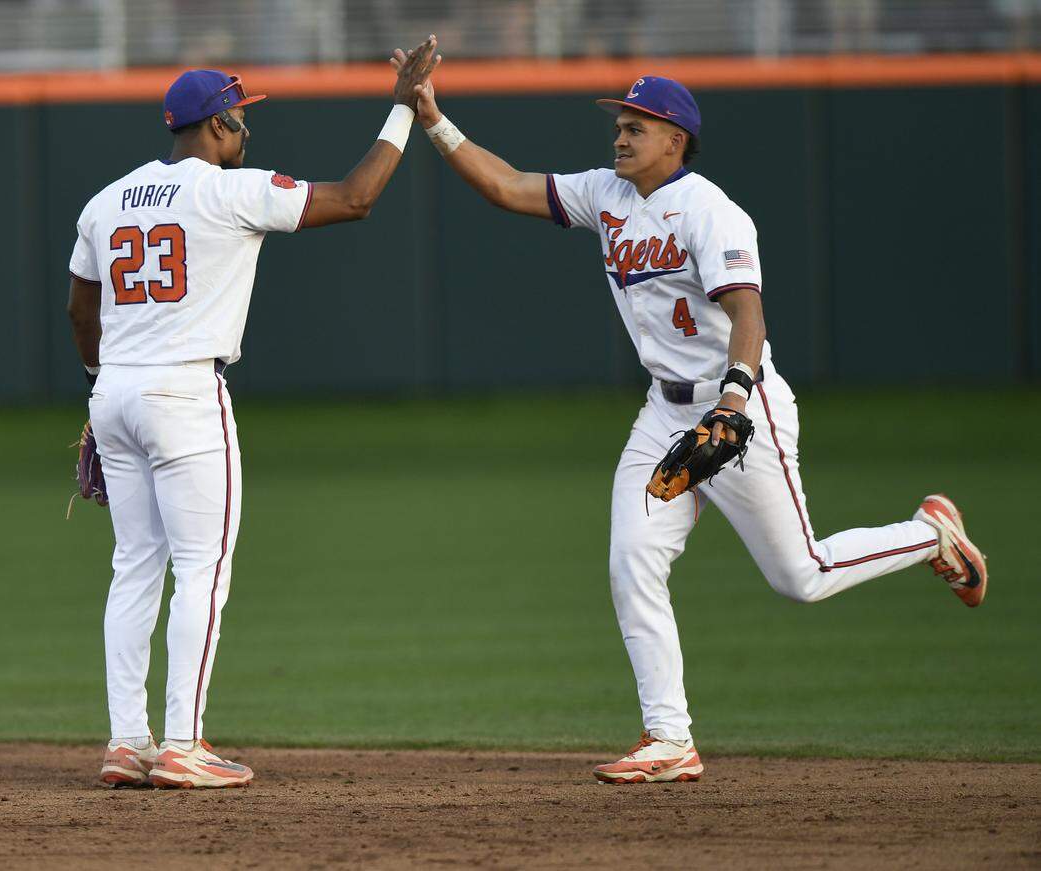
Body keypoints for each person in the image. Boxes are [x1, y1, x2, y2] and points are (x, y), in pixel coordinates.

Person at [400, 68, 988, 783]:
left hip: (740, 410)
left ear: (675, 140)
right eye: (618, 123)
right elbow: (506, 185)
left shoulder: (711, 211)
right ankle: (669, 737)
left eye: (634, 126)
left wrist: (733, 402)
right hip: (665, 412)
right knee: (632, 558)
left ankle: (932, 533)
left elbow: (748, 312)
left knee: (801, 574)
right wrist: (431, 116)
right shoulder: (607, 194)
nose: (619, 134)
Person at [68, 37, 440, 789]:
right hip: (184, 394)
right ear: (212, 127)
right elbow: (355, 197)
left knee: (134, 567)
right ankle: (182, 743)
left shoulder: (106, 199)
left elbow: (81, 304)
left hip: (117, 392)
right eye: (238, 118)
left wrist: (96, 381)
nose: (245, 130)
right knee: (202, 568)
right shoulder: (226, 191)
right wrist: (401, 109)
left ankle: (125, 740)